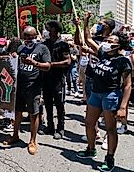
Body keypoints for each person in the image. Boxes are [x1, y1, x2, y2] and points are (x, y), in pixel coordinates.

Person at [76, 12, 132, 172]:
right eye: (108, 40)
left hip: (111, 95)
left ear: (119, 45)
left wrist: (122, 107)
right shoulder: (102, 53)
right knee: (89, 123)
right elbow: (87, 39)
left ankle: (109, 158)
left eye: (112, 41)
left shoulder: (123, 61)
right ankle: (90, 149)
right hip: (95, 94)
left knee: (110, 128)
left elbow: (127, 86)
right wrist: (85, 22)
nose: (108, 43)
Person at [3, 27, 51, 155]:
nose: (29, 39)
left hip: (33, 86)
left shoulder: (42, 48)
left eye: (31, 37)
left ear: (36, 36)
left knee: (33, 114)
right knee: (17, 111)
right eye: (26, 37)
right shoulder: (20, 48)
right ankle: (15, 135)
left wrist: (34, 63)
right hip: (20, 86)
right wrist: (14, 58)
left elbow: (47, 66)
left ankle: (33, 141)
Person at [40, 20, 71, 139]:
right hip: (46, 79)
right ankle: (50, 126)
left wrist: (51, 64)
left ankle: (60, 128)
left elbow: (67, 61)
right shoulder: (44, 44)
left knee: (59, 105)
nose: (48, 31)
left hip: (58, 79)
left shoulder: (62, 44)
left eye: (50, 28)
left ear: (55, 30)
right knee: (47, 103)